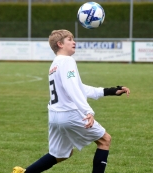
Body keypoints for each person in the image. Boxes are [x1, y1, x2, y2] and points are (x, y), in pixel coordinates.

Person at [12, 29, 130, 173]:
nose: (74, 42)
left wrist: (111, 91)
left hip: (55, 116)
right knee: (105, 140)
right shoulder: (67, 61)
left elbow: (80, 88)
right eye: (70, 39)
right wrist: (88, 111)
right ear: (60, 44)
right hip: (69, 114)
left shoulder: (54, 65)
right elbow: (73, 88)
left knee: (61, 154)